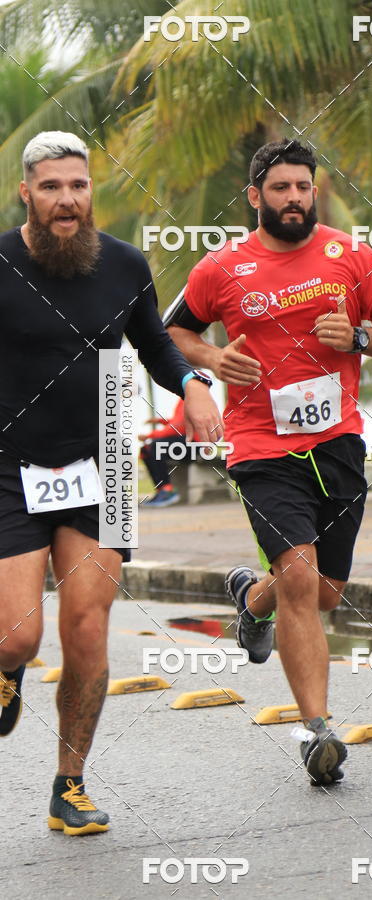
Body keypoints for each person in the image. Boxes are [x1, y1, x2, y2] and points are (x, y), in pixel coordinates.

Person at [167, 138, 372, 785]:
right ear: (256, 196)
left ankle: (253, 602)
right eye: (280, 188)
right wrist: (214, 360)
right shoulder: (221, 268)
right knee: (302, 579)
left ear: (315, 191)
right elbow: (173, 332)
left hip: (337, 444)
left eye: (303, 187)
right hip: (260, 446)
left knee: (325, 592)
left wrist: (360, 336)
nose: (294, 198)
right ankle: (317, 733)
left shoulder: (351, 256)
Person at [0, 131, 223, 834]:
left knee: (89, 628)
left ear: (92, 189)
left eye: (79, 186)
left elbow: (154, 344)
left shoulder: (125, 264)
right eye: (52, 187)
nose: (67, 201)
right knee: (17, 637)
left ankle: (70, 784)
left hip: (106, 467)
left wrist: (192, 385)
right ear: (26, 193)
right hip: (10, 463)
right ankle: (5, 670)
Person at [139, 397, 191, 506]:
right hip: (184, 441)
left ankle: (168, 491)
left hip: (195, 443)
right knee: (145, 450)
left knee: (155, 446)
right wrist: (160, 421)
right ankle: (161, 490)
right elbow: (178, 421)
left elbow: (178, 427)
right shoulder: (183, 397)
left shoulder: (191, 395)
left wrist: (149, 435)